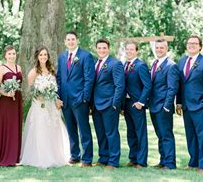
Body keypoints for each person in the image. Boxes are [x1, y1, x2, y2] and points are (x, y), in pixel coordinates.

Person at [20, 46, 70, 169]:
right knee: (40, 128)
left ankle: (55, 156)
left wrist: (57, 99)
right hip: (39, 105)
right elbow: (30, 89)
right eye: (41, 55)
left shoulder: (51, 70)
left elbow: (55, 88)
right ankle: (40, 157)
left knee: (53, 128)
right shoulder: (33, 71)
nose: (43, 57)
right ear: (37, 56)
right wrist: (39, 95)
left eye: (45, 55)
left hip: (51, 105)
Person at [177, 35, 203, 173]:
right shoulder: (181, 62)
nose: (191, 45)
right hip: (186, 106)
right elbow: (180, 85)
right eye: (189, 43)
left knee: (202, 136)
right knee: (190, 136)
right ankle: (193, 162)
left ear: (200, 46)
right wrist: (179, 103)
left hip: (201, 105)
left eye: (194, 43)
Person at [57, 31, 95, 166]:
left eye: (73, 39)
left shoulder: (85, 56)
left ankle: (87, 158)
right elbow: (60, 78)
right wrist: (59, 97)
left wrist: (85, 98)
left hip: (80, 100)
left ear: (77, 40)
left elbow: (89, 79)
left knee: (84, 130)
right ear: (65, 41)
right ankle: (75, 155)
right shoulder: (62, 57)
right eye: (68, 39)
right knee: (71, 130)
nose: (71, 42)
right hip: (65, 101)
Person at [92, 39, 125, 169]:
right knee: (100, 133)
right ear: (96, 49)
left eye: (104, 48)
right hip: (96, 104)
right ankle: (103, 157)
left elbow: (120, 85)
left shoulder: (115, 64)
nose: (101, 50)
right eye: (99, 48)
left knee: (111, 133)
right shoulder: (95, 64)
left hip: (109, 104)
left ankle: (113, 161)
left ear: (108, 49)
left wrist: (115, 103)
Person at [148, 39, 179, 170]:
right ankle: (163, 161)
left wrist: (167, 105)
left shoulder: (171, 66)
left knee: (166, 135)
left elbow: (172, 88)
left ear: (167, 49)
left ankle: (170, 163)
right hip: (153, 105)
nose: (159, 50)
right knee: (160, 135)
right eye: (157, 47)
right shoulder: (155, 63)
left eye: (162, 48)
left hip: (163, 106)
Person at [122, 41, 152, 168]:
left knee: (140, 133)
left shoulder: (141, 65)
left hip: (137, 103)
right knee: (131, 132)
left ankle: (141, 161)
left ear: (136, 51)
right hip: (126, 104)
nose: (129, 51)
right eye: (127, 49)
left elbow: (147, 85)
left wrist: (141, 102)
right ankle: (133, 158)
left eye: (131, 49)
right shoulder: (124, 65)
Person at [0, 45, 23, 166]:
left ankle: (15, 156)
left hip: (17, 100)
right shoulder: (2, 69)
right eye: (9, 54)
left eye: (14, 54)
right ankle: (6, 156)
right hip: (6, 101)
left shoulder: (18, 67)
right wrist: (6, 93)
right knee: (7, 128)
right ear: (5, 55)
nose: (12, 56)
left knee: (15, 126)